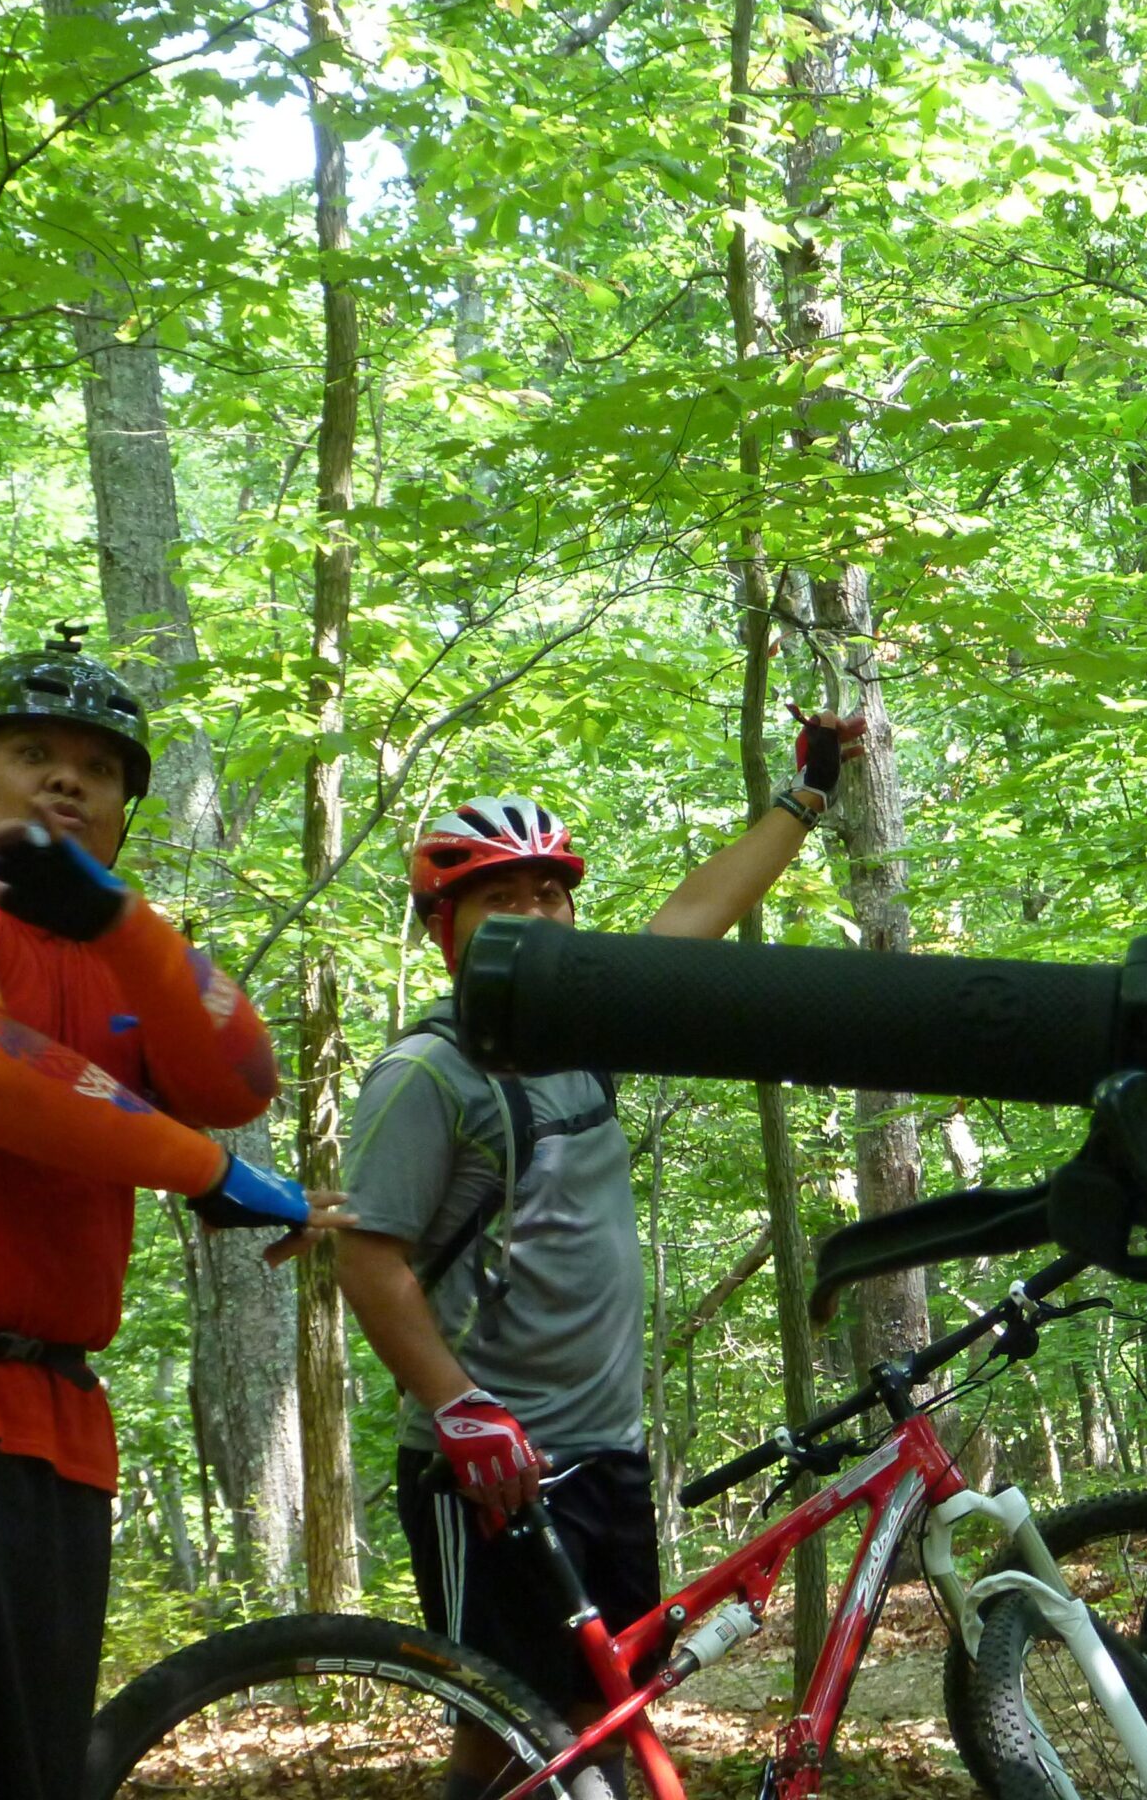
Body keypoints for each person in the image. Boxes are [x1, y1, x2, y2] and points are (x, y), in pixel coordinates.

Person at [0, 630, 344, 1798]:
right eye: (30, 752)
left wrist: (123, 924)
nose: (69, 779)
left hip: (52, 1426)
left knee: (25, 1778)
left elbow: (240, 1076)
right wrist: (205, 1173)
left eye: (103, 768)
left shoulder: (135, 952)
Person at [334, 708, 863, 1792]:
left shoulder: (582, 1032)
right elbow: (367, 1257)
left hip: (600, 1454)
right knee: (504, 1727)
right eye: (498, 897)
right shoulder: (426, 1076)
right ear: (446, 924)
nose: (534, 913)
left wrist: (803, 800)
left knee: (601, 1711)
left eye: (549, 892)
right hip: (484, 1469)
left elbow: (694, 918)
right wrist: (456, 1409)